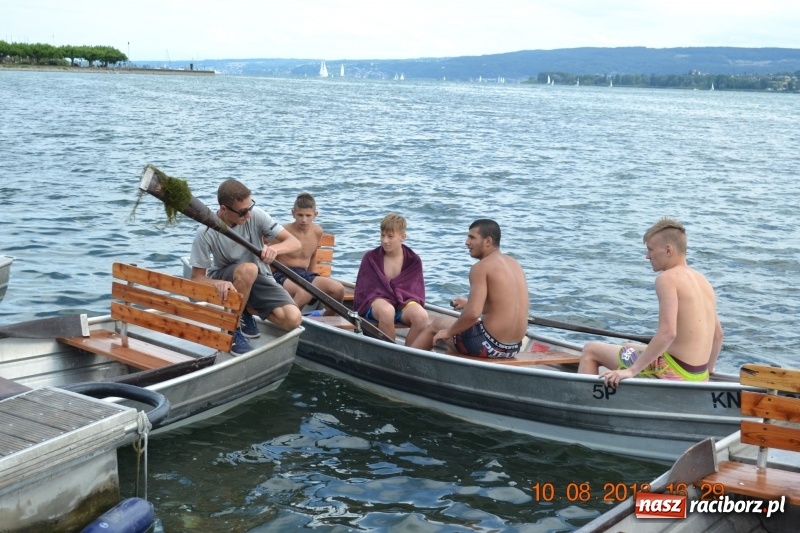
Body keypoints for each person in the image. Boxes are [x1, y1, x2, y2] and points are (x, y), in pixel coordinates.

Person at [578, 218, 723, 385]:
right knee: (628, 346)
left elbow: (668, 333)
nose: (647, 256)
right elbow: (718, 335)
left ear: (668, 250)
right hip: (698, 375)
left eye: (650, 249)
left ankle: (586, 404)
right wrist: (709, 372)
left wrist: (631, 371)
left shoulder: (667, 279)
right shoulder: (703, 281)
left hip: (671, 371)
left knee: (590, 350)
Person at [189, 179, 303, 356]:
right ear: (224, 209)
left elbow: (295, 243)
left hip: (258, 275)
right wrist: (217, 283)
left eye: (250, 208)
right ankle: (231, 329)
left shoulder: (256, 215)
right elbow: (196, 278)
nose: (248, 215)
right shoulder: (205, 231)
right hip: (229, 276)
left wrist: (274, 249)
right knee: (248, 269)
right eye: (243, 212)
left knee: (293, 319)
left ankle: (245, 310)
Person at [410, 219, 529, 358]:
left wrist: (448, 332)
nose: (467, 242)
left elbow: (472, 314)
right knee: (457, 340)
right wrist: (468, 303)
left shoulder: (481, 267)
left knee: (437, 325)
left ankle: (404, 364)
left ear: (488, 241)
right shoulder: (515, 264)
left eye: (472, 237)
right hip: (513, 348)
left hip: (489, 345)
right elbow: (501, 306)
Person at [353, 213, 429, 344]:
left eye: (390, 236)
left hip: (403, 303)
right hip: (376, 303)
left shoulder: (413, 260)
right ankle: (391, 352)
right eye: (382, 235)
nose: (385, 240)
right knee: (387, 311)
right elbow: (364, 291)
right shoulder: (371, 258)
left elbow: (415, 291)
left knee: (422, 317)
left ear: (402, 237)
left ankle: (407, 355)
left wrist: (399, 298)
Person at [273, 192, 345, 314]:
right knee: (304, 292)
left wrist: (312, 275)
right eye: (300, 215)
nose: (304, 220)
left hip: (304, 274)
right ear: (293, 213)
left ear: (315, 215)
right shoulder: (283, 232)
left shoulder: (317, 231)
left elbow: (312, 254)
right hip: (283, 274)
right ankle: (291, 321)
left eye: (308, 215)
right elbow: (268, 256)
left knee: (338, 289)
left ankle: (325, 320)